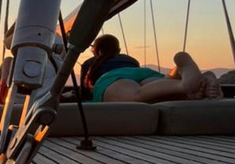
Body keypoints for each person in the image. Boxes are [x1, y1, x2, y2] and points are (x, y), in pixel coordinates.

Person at [81, 34, 222, 103]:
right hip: (144, 73)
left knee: (136, 95)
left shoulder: (91, 62)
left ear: (97, 50)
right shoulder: (130, 60)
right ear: (118, 49)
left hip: (111, 78)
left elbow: (84, 94)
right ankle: (184, 77)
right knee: (153, 89)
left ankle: (183, 86)